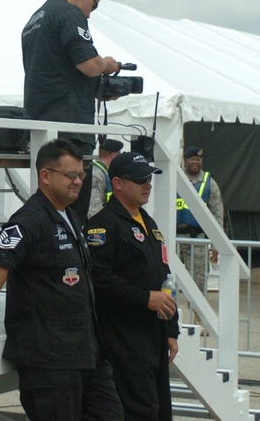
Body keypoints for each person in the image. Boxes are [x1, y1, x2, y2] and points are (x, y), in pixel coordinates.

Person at [0, 139, 123, 421]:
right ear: (45, 176)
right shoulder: (28, 221)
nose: (78, 182)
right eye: (71, 175)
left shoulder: (71, 218)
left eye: (81, 175)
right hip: (50, 360)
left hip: (86, 353)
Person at [21, 0, 120, 222]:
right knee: (72, 213)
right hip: (70, 129)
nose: (88, 15)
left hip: (39, 125)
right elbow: (89, 64)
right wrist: (107, 64)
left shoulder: (34, 19)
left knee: (47, 210)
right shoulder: (69, 13)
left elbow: (56, 73)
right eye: (92, 7)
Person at [85, 151, 178, 420]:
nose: (147, 184)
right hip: (123, 338)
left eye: (148, 178)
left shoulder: (147, 222)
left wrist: (172, 329)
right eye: (139, 180)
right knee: (138, 410)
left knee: (159, 409)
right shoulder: (101, 226)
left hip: (154, 335)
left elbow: (164, 275)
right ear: (118, 184)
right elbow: (98, 280)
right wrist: (144, 298)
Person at [175, 145, 225, 295]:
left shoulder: (209, 183)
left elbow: (217, 214)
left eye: (198, 159)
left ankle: (197, 316)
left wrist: (217, 243)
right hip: (174, 237)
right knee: (168, 276)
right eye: (192, 159)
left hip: (197, 239)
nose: (195, 162)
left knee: (198, 280)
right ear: (185, 160)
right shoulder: (176, 178)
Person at [86, 138, 123, 219]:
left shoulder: (102, 172)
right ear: (113, 155)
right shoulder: (96, 174)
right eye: (119, 155)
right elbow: (93, 209)